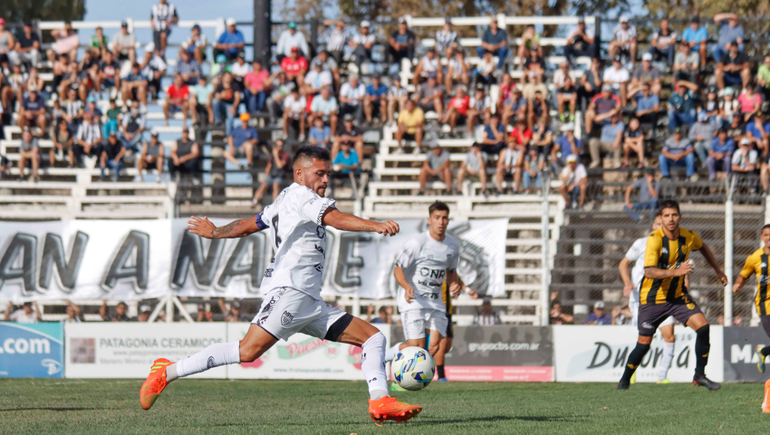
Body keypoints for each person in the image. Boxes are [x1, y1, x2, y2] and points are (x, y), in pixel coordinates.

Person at [142, 147, 421, 424]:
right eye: (319, 173)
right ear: (299, 173)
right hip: (290, 293)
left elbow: (250, 223)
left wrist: (216, 231)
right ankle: (167, 371)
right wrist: (375, 225)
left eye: (328, 174)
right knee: (247, 351)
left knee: (373, 337)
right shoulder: (302, 195)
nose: (325, 180)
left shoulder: (284, 197)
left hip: (309, 300)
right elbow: (334, 218)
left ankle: (380, 401)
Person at [617, 199, 727, 391]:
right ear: (660, 218)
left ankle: (699, 375)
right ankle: (624, 380)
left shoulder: (689, 236)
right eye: (666, 215)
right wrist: (677, 272)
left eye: (674, 215)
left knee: (703, 328)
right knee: (643, 344)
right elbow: (649, 271)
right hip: (652, 300)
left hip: (677, 297)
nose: (671, 219)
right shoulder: (654, 239)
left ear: (680, 217)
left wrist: (718, 270)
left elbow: (703, 247)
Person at [384, 201, 461, 370]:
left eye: (444, 218)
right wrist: (406, 286)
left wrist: (454, 284)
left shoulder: (453, 245)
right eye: (437, 217)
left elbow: (451, 271)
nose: (441, 222)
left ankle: (411, 376)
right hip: (414, 300)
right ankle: (384, 361)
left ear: (448, 220)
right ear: (429, 220)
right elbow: (398, 269)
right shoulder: (417, 243)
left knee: (433, 347)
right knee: (415, 347)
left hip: (435, 301)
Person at [618, 213, 677, 383]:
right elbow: (623, 264)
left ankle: (662, 377)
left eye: (664, 224)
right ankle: (632, 370)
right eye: (659, 224)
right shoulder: (641, 243)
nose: (661, 227)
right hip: (641, 298)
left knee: (669, 335)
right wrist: (628, 283)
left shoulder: (673, 245)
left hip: (664, 297)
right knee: (644, 337)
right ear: (653, 226)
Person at [733, 225, 770, 375]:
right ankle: (763, 352)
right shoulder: (755, 257)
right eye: (766, 235)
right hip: (765, 304)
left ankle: (764, 351)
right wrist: (738, 284)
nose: (769, 238)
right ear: (761, 237)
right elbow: (744, 274)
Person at [252, 139, 291, 206]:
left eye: (281, 145)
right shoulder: (272, 155)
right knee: (263, 185)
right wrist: (266, 177)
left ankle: (274, 205)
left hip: (281, 176)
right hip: (272, 175)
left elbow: (280, 166)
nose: (279, 147)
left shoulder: (285, 155)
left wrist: (276, 156)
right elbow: (268, 166)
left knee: (275, 185)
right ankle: (255, 201)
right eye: (277, 145)